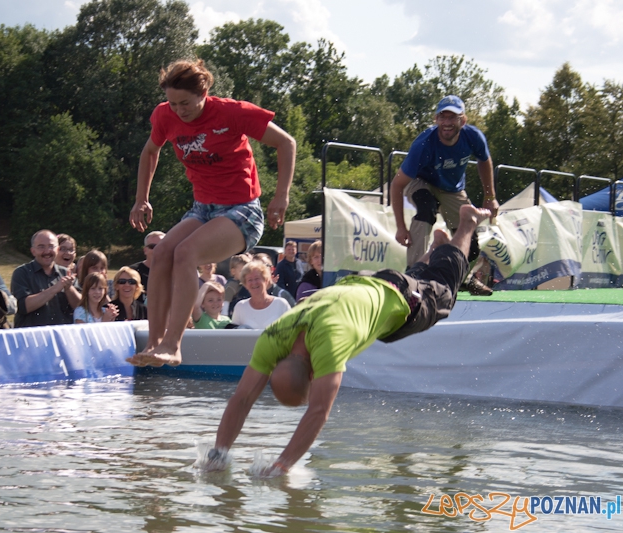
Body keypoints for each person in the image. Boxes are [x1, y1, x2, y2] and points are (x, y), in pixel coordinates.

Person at [202, 205, 492, 475]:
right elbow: (241, 400)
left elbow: (317, 413)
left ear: (313, 374)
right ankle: (434, 249)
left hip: (405, 301)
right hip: (371, 283)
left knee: (446, 286)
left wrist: (281, 467)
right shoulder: (273, 338)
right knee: (417, 281)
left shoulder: (328, 345)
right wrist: (219, 454)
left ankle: (466, 224)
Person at [128, 59, 296, 367]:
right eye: (173, 103)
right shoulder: (165, 115)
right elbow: (150, 151)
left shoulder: (232, 112)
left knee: (185, 253)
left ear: (205, 91)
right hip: (203, 208)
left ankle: (173, 344)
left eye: (187, 103)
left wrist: (281, 195)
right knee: (163, 251)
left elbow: (286, 143)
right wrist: (142, 199)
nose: (180, 110)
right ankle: (154, 344)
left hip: (242, 210)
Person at [390, 95, 497, 296]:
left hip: (452, 188)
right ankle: (414, 275)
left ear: (462, 120)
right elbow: (397, 185)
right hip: (421, 182)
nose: (447, 123)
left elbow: (484, 160)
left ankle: (463, 278)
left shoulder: (473, 137)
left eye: (452, 118)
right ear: (436, 119)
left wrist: (490, 196)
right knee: (426, 208)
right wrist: (400, 227)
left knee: (470, 237)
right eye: (442, 117)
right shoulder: (423, 144)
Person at [11, 230, 81, 328]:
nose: (47, 251)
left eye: (51, 246)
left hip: (61, 338)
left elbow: (81, 308)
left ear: (57, 249)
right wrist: (55, 288)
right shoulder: (22, 273)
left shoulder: (66, 273)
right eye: (41, 247)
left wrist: (69, 289)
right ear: (33, 251)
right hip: (32, 338)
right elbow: (23, 306)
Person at [231, 261, 292, 329]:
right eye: (250, 280)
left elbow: (291, 332)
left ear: (265, 280)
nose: (254, 283)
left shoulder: (281, 304)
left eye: (257, 278)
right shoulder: (240, 307)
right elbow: (235, 336)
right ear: (245, 285)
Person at [129, 231, 165, 301]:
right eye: (152, 246)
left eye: (161, 245)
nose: (157, 249)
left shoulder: (176, 271)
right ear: (145, 250)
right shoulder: (132, 272)